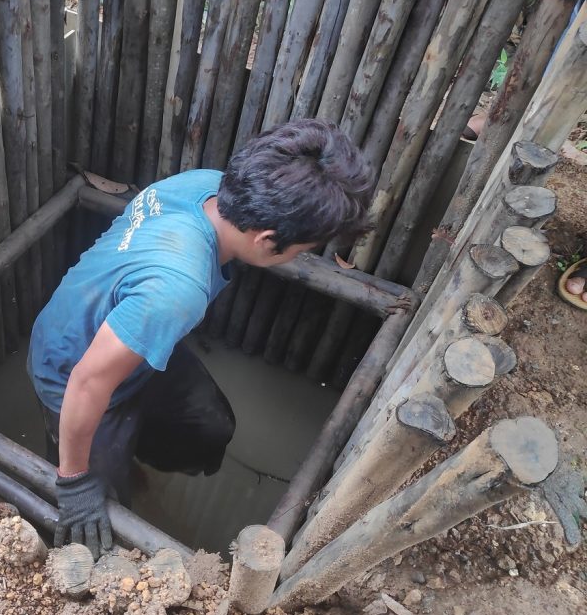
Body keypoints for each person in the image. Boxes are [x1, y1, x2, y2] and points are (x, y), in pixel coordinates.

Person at [27, 119, 375, 558]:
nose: (300, 258)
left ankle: (129, 453)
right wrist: (74, 483)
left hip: (124, 338)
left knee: (211, 427)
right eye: (301, 251)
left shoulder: (208, 186)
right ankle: (100, 474)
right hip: (70, 371)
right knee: (98, 517)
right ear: (268, 241)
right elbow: (87, 383)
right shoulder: (178, 288)